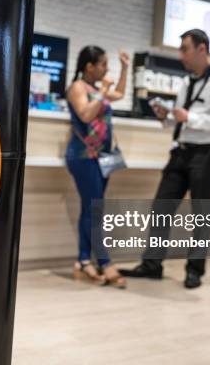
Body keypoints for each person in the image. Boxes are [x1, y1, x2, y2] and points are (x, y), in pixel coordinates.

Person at [119, 29, 210, 289]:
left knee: (201, 213)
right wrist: (167, 116)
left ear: (202, 49)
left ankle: (195, 270)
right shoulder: (186, 82)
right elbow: (181, 119)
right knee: (161, 208)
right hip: (181, 151)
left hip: (208, 153)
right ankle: (152, 265)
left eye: (185, 49)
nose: (181, 55)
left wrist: (191, 118)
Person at [66, 46, 130, 288]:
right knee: (95, 210)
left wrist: (125, 68)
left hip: (102, 156)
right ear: (89, 66)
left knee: (90, 208)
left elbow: (121, 93)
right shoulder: (78, 88)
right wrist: (103, 92)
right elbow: (84, 114)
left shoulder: (96, 89)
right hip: (83, 156)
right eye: (103, 64)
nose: (106, 68)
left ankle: (83, 260)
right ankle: (105, 262)